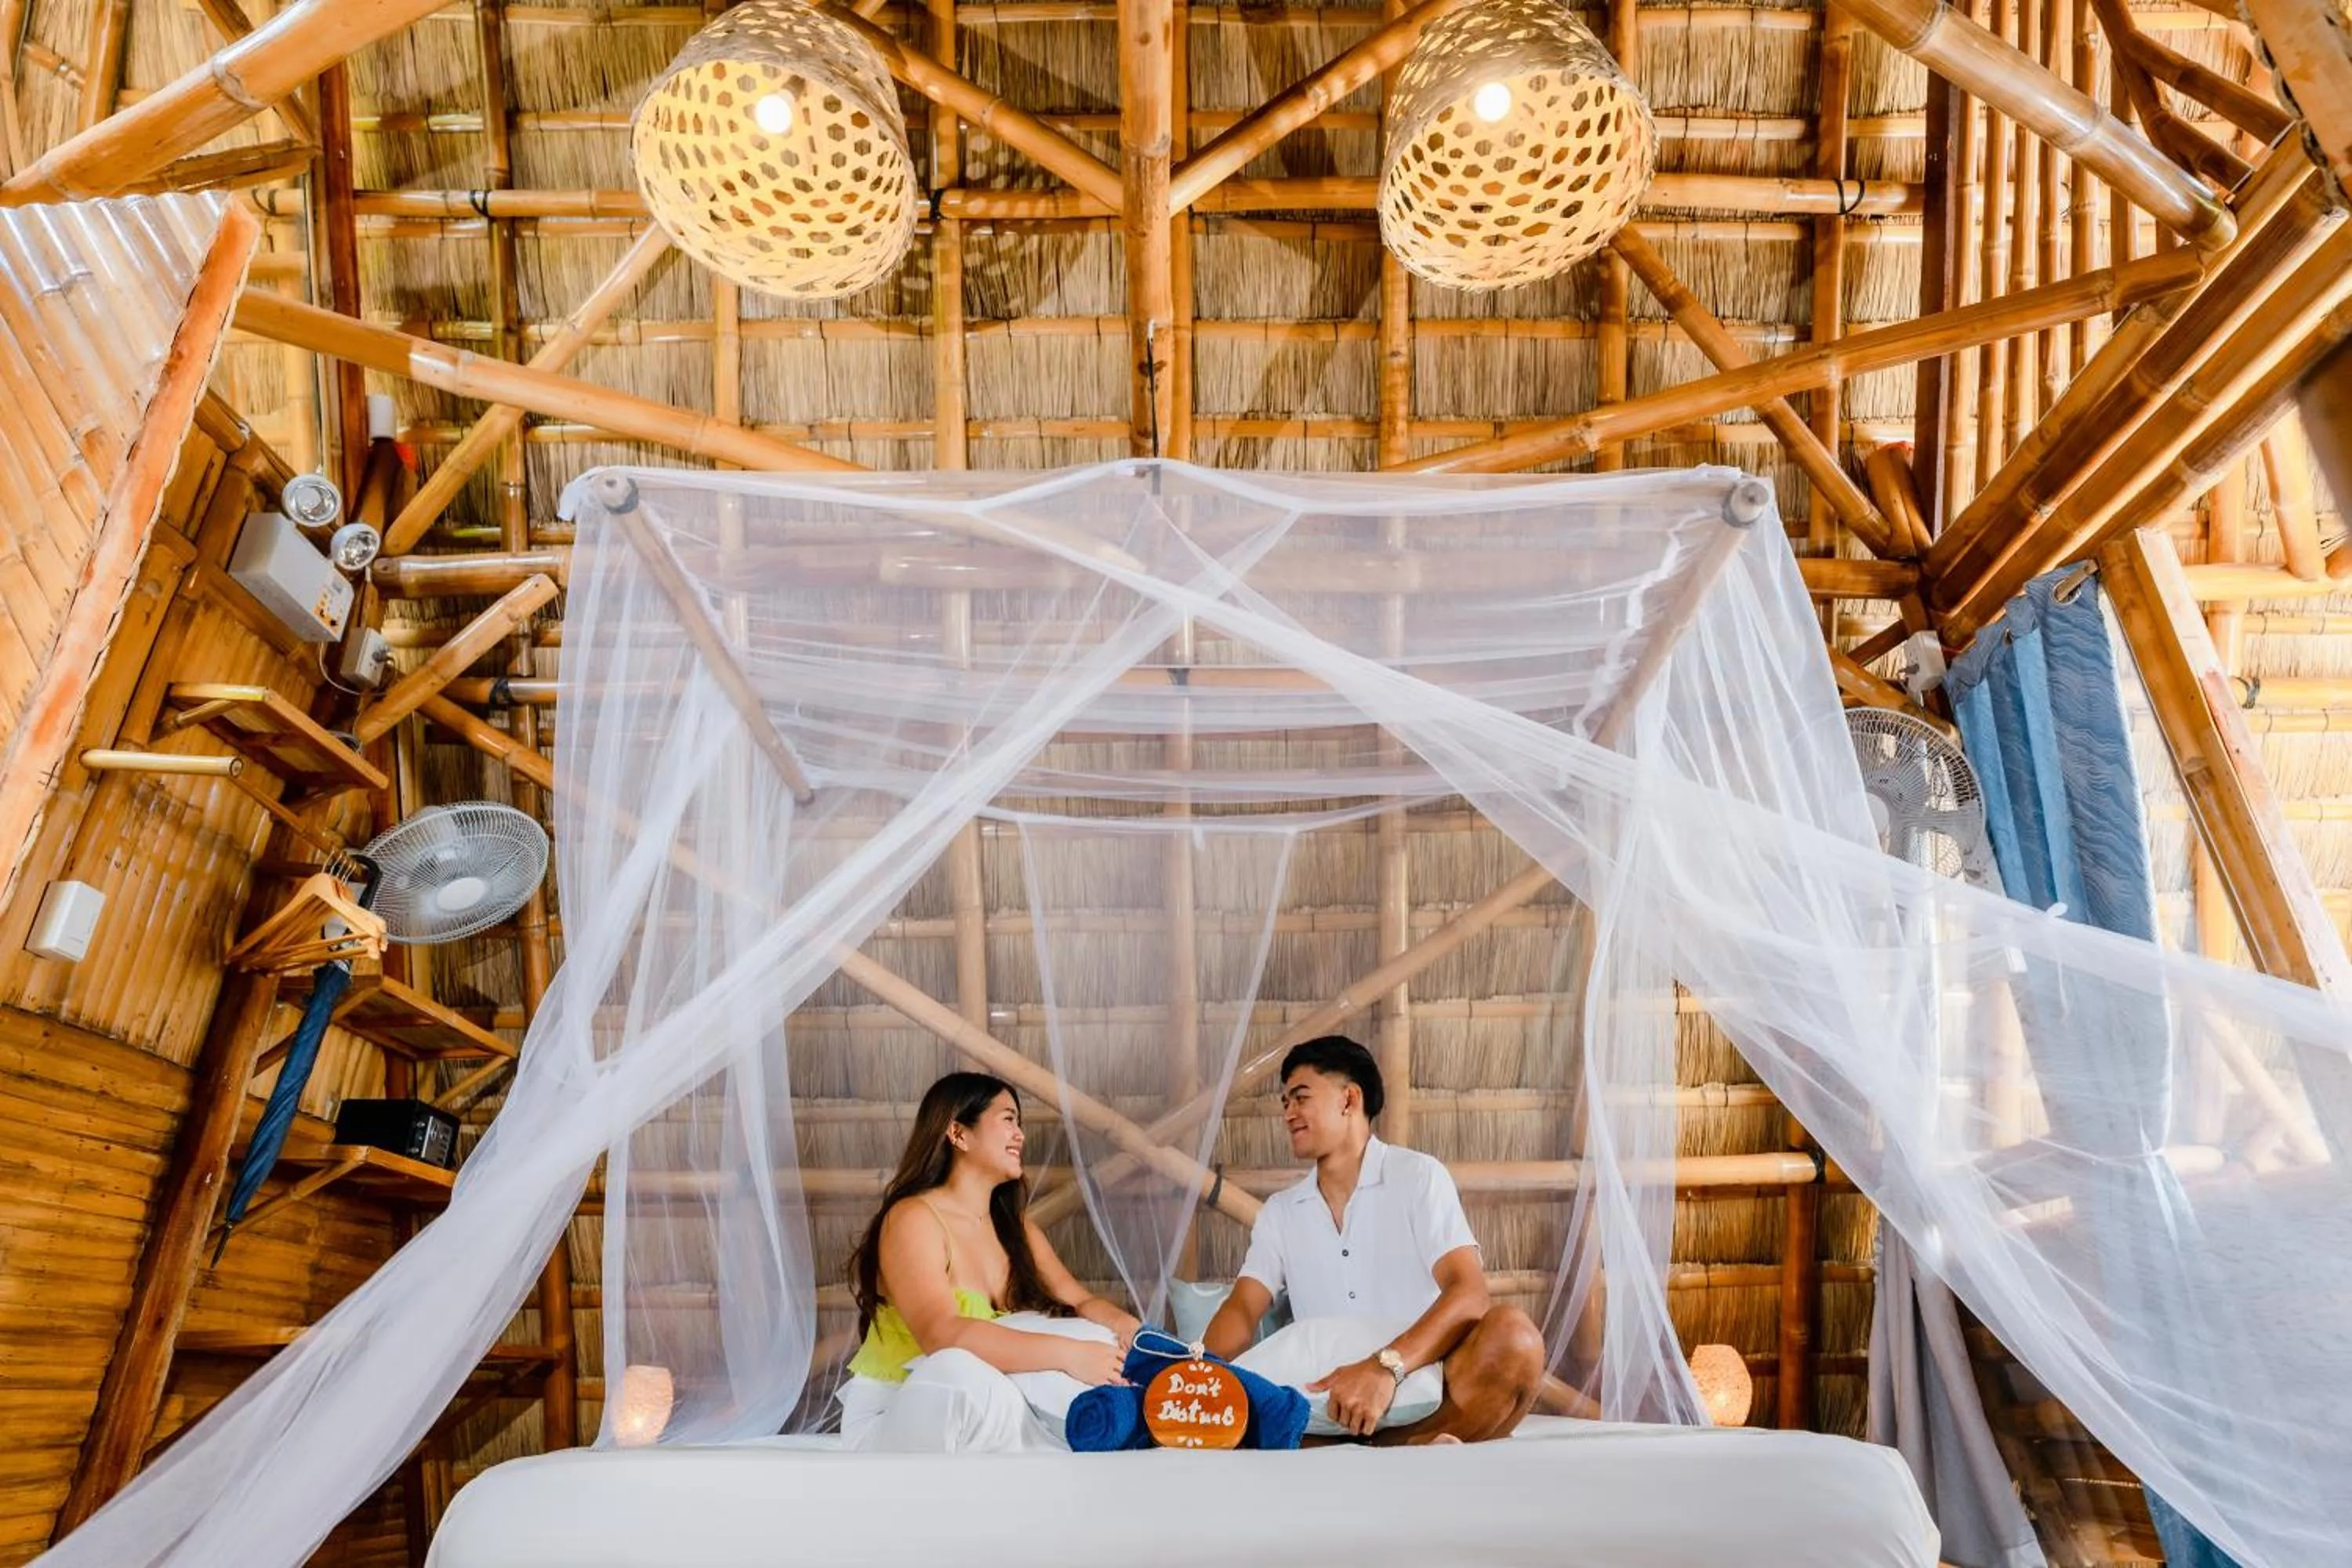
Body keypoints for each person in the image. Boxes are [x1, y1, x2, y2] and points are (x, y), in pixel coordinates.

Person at [1203, 1035, 1546, 1444]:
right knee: (1239, 1407)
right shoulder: (1280, 1211)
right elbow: (1243, 1308)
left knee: (1516, 1337)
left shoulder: (1418, 1177)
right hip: (1321, 1400)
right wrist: (1197, 1376)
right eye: (1285, 1103)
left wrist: (1385, 1369)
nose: (1288, 1113)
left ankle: (1384, 1442)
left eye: (1300, 1098)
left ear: (1349, 1099)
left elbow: (1470, 1294)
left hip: (1425, 1386)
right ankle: (1406, 1446)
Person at [840, 1071, 1142, 1451]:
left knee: (1089, 1344)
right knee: (960, 1371)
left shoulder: (1017, 1229)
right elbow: (941, 1334)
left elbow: (1079, 1301)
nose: (1021, 1135)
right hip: (904, 1406)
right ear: (958, 1133)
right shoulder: (913, 1218)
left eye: (1019, 1123)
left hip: (991, 1404)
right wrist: (1070, 1355)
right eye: (1008, 1120)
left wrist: (1128, 1330)